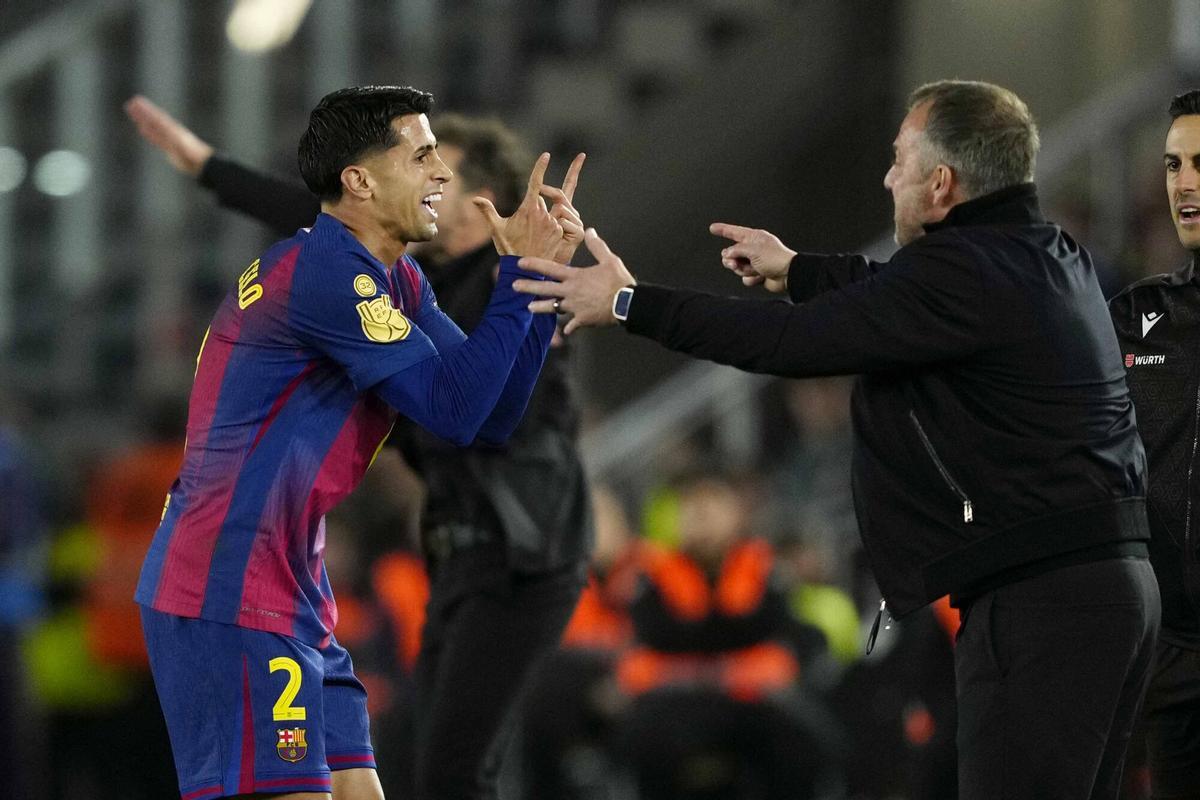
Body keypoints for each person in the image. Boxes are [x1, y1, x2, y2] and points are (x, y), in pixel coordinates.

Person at [514, 79, 1161, 799]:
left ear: (941, 183)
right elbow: (887, 293)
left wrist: (630, 303)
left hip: (1043, 603)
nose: (887, 177)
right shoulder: (1044, 253)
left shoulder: (962, 273)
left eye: (900, 158)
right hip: (1104, 589)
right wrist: (798, 270)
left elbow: (792, 341)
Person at [126, 95, 593, 800]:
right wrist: (513, 274)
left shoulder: (392, 275)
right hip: (227, 583)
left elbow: (488, 419)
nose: (442, 173)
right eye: (423, 155)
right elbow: (453, 411)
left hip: (290, 578)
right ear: (360, 181)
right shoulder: (329, 276)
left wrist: (529, 280)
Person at [1108, 89, 1200, 800]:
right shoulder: (1137, 316)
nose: (1184, 184)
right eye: (1173, 165)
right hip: (1174, 659)